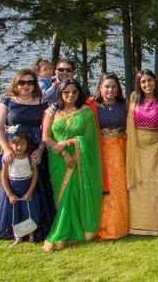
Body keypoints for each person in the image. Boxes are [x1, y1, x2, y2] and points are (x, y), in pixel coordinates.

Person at [0, 70, 53, 241]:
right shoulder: (7, 101)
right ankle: (12, 227)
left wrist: (40, 150)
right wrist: (6, 149)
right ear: (15, 84)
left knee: (37, 188)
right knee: (12, 185)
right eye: (22, 82)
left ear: (35, 84)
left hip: (35, 153)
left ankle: (35, 225)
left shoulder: (43, 103)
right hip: (14, 151)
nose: (26, 86)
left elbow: (46, 130)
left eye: (30, 82)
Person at [41, 79, 102, 252]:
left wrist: (73, 148)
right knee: (61, 197)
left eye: (74, 92)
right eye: (66, 92)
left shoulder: (86, 112)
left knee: (74, 194)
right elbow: (46, 137)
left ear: (79, 93)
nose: (70, 95)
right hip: (58, 159)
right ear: (60, 93)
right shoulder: (52, 112)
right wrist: (64, 153)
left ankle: (70, 232)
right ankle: (64, 232)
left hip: (79, 159)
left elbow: (90, 141)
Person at [126, 69, 158, 236]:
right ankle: (137, 224)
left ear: (155, 81)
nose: (147, 84)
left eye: (149, 80)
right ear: (139, 84)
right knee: (139, 184)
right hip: (136, 146)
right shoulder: (134, 99)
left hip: (156, 146)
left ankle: (156, 224)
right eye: (143, 82)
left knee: (155, 185)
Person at [93, 73, 129, 240]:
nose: (110, 90)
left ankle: (122, 225)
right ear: (100, 88)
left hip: (123, 149)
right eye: (107, 86)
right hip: (102, 151)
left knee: (121, 186)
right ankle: (106, 226)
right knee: (106, 187)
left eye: (114, 86)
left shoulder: (124, 104)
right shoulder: (92, 106)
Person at [0, 134, 40, 246]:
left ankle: (31, 234)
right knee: (15, 213)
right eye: (16, 144)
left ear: (27, 144)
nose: (19, 147)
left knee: (29, 212)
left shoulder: (30, 158)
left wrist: (30, 192)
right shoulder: (8, 159)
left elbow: (35, 175)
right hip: (14, 189)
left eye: (22, 144)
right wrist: (9, 194)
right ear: (10, 145)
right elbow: (3, 177)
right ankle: (18, 236)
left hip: (26, 187)